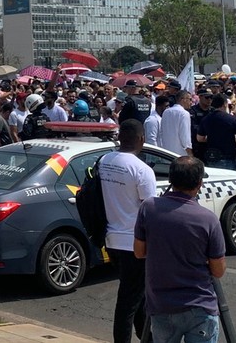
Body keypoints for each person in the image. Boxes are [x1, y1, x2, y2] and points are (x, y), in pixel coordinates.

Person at [134, 157, 226, 343]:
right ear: (199, 183)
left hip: (162, 305)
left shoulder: (148, 208)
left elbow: (139, 252)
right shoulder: (208, 219)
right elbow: (218, 270)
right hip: (199, 304)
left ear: (170, 180)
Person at [99, 119, 156, 343]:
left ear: (120, 138)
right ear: (142, 139)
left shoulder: (105, 161)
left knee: (137, 297)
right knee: (128, 302)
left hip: (112, 240)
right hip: (135, 244)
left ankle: (147, 338)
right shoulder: (142, 170)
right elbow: (150, 210)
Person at [196, 95, 236, 171]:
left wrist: (212, 139)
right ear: (225, 104)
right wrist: (231, 144)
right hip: (228, 157)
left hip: (212, 156)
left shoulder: (206, 119)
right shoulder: (232, 119)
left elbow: (199, 138)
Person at [159, 90, 193, 157]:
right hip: (180, 155)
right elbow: (185, 138)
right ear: (183, 100)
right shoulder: (184, 113)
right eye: (190, 99)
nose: (191, 102)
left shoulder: (166, 112)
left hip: (166, 154)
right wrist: (190, 153)